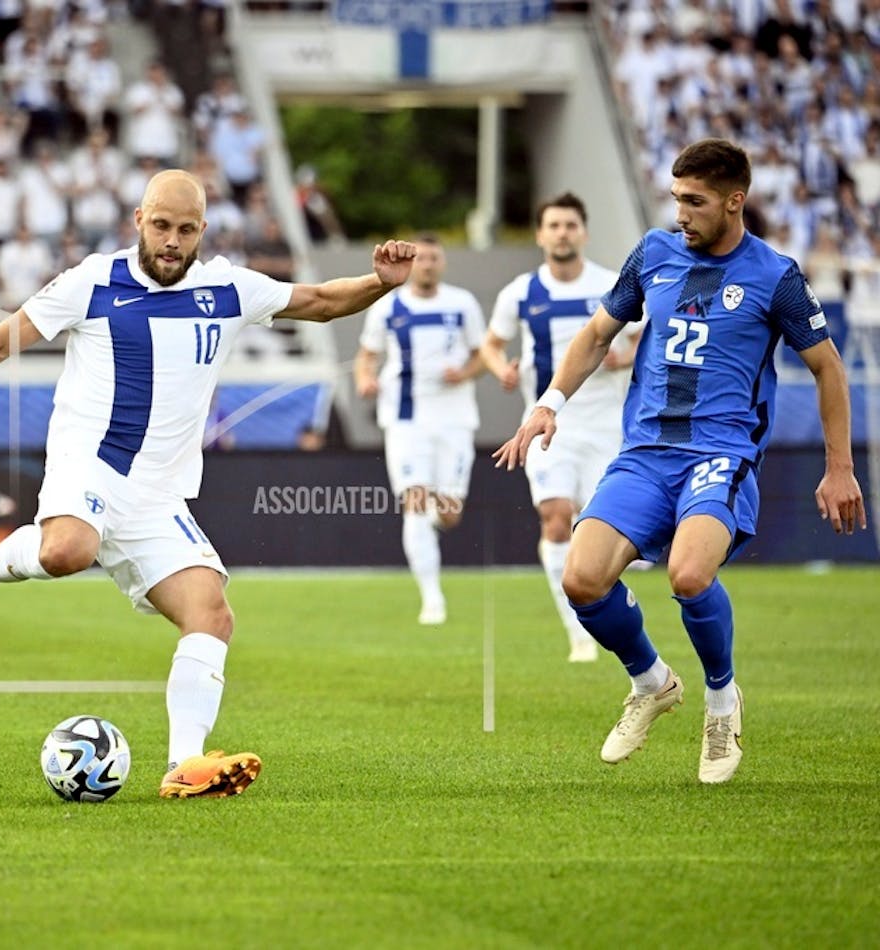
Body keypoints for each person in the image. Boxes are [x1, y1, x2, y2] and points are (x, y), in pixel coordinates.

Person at [0, 169, 417, 799]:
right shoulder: (92, 280)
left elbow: (319, 301)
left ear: (203, 230)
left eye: (186, 229)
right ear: (138, 222)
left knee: (211, 613)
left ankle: (184, 765)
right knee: (68, 551)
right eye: (162, 226)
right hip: (90, 462)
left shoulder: (226, 286)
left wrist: (377, 284)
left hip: (158, 493)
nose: (173, 241)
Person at [495, 139, 865, 784]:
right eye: (677, 199)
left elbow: (828, 367)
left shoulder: (774, 275)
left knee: (688, 576)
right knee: (581, 579)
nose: (682, 213)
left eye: (695, 202)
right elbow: (597, 333)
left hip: (721, 453)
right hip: (644, 453)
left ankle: (722, 701)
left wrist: (839, 467)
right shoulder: (654, 252)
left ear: (734, 201)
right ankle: (652, 682)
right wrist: (548, 402)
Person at [480, 193, 640, 663]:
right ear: (540, 235)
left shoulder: (613, 285)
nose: (562, 233)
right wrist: (499, 369)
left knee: (601, 535)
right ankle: (577, 634)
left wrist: (624, 358)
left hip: (607, 425)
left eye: (570, 224)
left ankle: (606, 612)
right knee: (555, 517)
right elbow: (492, 344)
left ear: (583, 232)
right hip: (548, 425)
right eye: (553, 225)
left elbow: (645, 337)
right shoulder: (520, 292)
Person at [354, 235, 486, 626]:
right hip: (405, 418)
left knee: (449, 512)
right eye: (421, 258)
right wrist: (365, 379)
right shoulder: (388, 306)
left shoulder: (462, 304)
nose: (427, 264)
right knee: (414, 500)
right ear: (412, 263)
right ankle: (432, 599)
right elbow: (367, 355)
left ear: (442, 263)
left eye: (434, 257)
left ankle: (430, 517)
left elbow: (483, 353)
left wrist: (463, 372)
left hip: (455, 418)